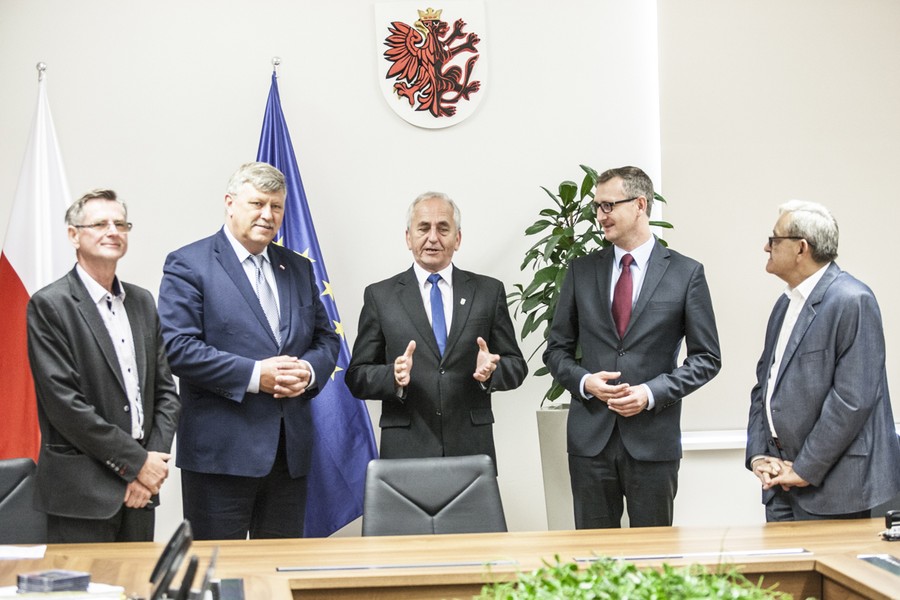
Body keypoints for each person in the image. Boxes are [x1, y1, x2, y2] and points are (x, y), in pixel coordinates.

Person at [158, 162, 340, 540]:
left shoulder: (298, 268)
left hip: (289, 456)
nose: (267, 215)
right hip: (220, 458)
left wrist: (307, 373)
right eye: (257, 203)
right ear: (230, 203)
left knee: (280, 567)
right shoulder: (189, 263)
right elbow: (178, 348)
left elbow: (326, 338)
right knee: (219, 568)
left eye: (276, 206)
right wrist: (257, 376)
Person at [543, 166, 721, 529]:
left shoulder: (686, 273)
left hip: (653, 441)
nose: (600, 216)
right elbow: (556, 350)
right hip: (590, 442)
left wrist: (650, 393)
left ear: (640, 204)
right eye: (597, 206)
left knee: (653, 555)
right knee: (593, 555)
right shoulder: (580, 271)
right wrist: (585, 382)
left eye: (608, 205)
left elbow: (706, 358)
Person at [26, 189, 180, 543]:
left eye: (120, 224)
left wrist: (151, 464)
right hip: (82, 495)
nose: (113, 231)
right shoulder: (50, 305)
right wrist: (136, 465)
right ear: (73, 235)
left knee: (139, 580)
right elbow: (65, 406)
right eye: (100, 224)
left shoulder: (142, 302)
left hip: (142, 493)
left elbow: (166, 394)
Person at [346, 192, 527, 468]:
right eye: (423, 228)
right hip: (405, 451)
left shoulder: (488, 292)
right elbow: (357, 376)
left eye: (443, 229)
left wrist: (491, 372)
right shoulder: (380, 296)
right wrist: (392, 376)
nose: (433, 238)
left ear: (458, 238)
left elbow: (516, 365)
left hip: (471, 448)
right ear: (408, 237)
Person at [746, 200, 900, 521]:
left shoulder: (853, 300)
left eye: (774, 239)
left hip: (836, 489)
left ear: (801, 248)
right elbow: (765, 386)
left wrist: (804, 468)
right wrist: (759, 455)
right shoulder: (784, 304)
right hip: (779, 484)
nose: (766, 247)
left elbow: (852, 401)